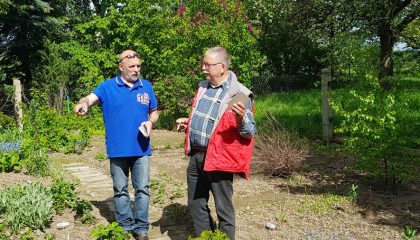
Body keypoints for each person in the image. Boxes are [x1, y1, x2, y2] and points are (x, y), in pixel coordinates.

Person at [74, 49, 158, 240]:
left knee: (143, 189)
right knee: (120, 190)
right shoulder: (107, 87)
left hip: (141, 149)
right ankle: (125, 226)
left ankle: (142, 228)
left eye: (138, 66)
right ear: (121, 67)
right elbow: (89, 99)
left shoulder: (146, 87)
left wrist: (151, 122)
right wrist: (83, 104)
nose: (136, 70)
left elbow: (154, 111)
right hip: (117, 149)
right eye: (132, 67)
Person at [176, 47, 256, 240]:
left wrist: (240, 118)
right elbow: (213, 120)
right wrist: (189, 123)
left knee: (223, 208)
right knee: (196, 204)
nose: (203, 68)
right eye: (203, 63)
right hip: (196, 156)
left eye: (207, 64)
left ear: (221, 67)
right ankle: (205, 237)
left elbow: (249, 131)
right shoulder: (203, 87)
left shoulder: (239, 94)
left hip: (219, 159)